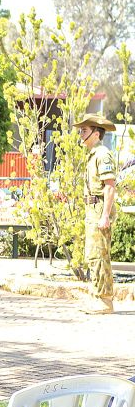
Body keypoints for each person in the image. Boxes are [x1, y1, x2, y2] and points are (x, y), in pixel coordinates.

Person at [73, 113, 117, 315]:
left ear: (96, 133)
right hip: (93, 209)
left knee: (100, 255)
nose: (81, 134)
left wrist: (105, 215)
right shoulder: (93, 154)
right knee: (93, 255)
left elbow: (109, 187)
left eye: (84, 130)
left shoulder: (102, 154)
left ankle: (105, 301)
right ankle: (97, 296)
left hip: (100, 209)